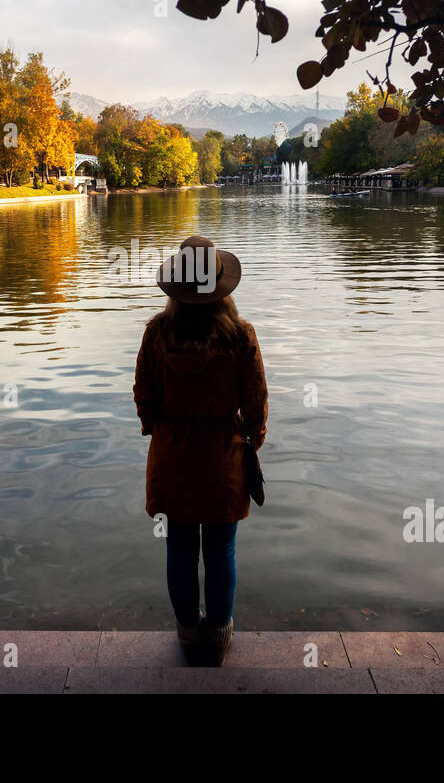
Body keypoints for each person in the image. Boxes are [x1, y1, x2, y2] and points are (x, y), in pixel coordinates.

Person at [133, 235, 268, 666]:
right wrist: (251, 438)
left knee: (179, 548)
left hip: (172, 456)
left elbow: (143, 395)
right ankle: (220, 634)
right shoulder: (240, 336)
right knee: (222, 550)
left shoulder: (157, 333)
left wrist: (158, 428)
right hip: (222, 458)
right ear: (221, 287)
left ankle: (189, 633)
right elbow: (256, 401)